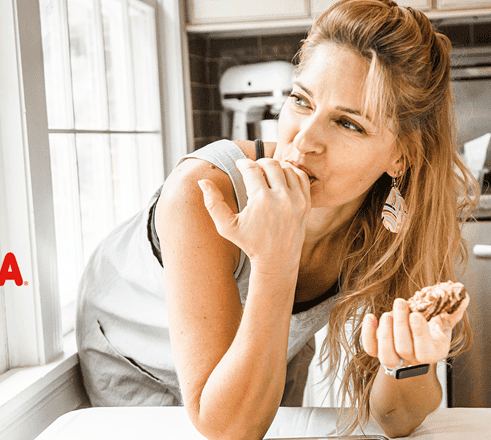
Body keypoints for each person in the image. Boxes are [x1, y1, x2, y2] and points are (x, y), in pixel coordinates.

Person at [75, 0, 478, 438]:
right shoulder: (203, 194)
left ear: (401, 156)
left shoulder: (392, 226)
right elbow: (229, 430)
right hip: (135, 351)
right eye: (301, 101)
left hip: (263, 354)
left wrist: (409, 363)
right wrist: (275, 257)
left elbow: (394, 418)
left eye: (348, 124)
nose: (303, 142)